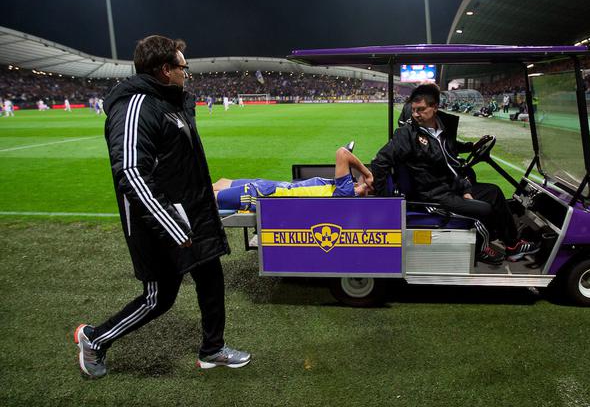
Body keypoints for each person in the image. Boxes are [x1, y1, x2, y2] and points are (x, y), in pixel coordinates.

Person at [74, 35, 250, 379]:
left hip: (192, 214)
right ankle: (94, 339)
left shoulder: (171, 102)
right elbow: (130, 172)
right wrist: (170, 222)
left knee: (210, 276)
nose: (187, 72)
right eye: (183, 66)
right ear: (165, 69)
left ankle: (212, 350)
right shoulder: (135, 105)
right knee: (159, 298)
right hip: (157, 221)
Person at [371, 84, 539, 265]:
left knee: (494, 193)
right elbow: (379, 162)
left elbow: (449, 164)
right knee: (484, 209)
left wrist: (465, 181)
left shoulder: (440, 132)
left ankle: (512, 245)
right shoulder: (407, 134)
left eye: (421, 110)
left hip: (449, 187)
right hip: (433, 195)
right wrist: (385, 202)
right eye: (413, 110)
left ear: (434, 107)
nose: (415, 114)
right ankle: (480, 248)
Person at [214, 147, 373, 211]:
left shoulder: (346, 193)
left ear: (366, 188)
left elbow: (342, 154)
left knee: (211, 198)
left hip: (267, 196)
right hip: (271, 187)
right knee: (222, 182)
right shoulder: (345, 190)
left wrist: (367, 174)